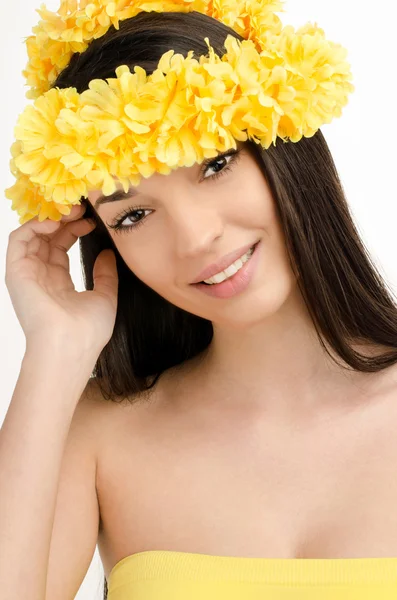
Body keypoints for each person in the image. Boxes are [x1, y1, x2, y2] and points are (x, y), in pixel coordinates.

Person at [2, 1, 397, 599]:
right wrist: (53, 354)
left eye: (215, 165)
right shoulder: (102, 436)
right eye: (133, 214)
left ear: (282, 146)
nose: (195, 239)